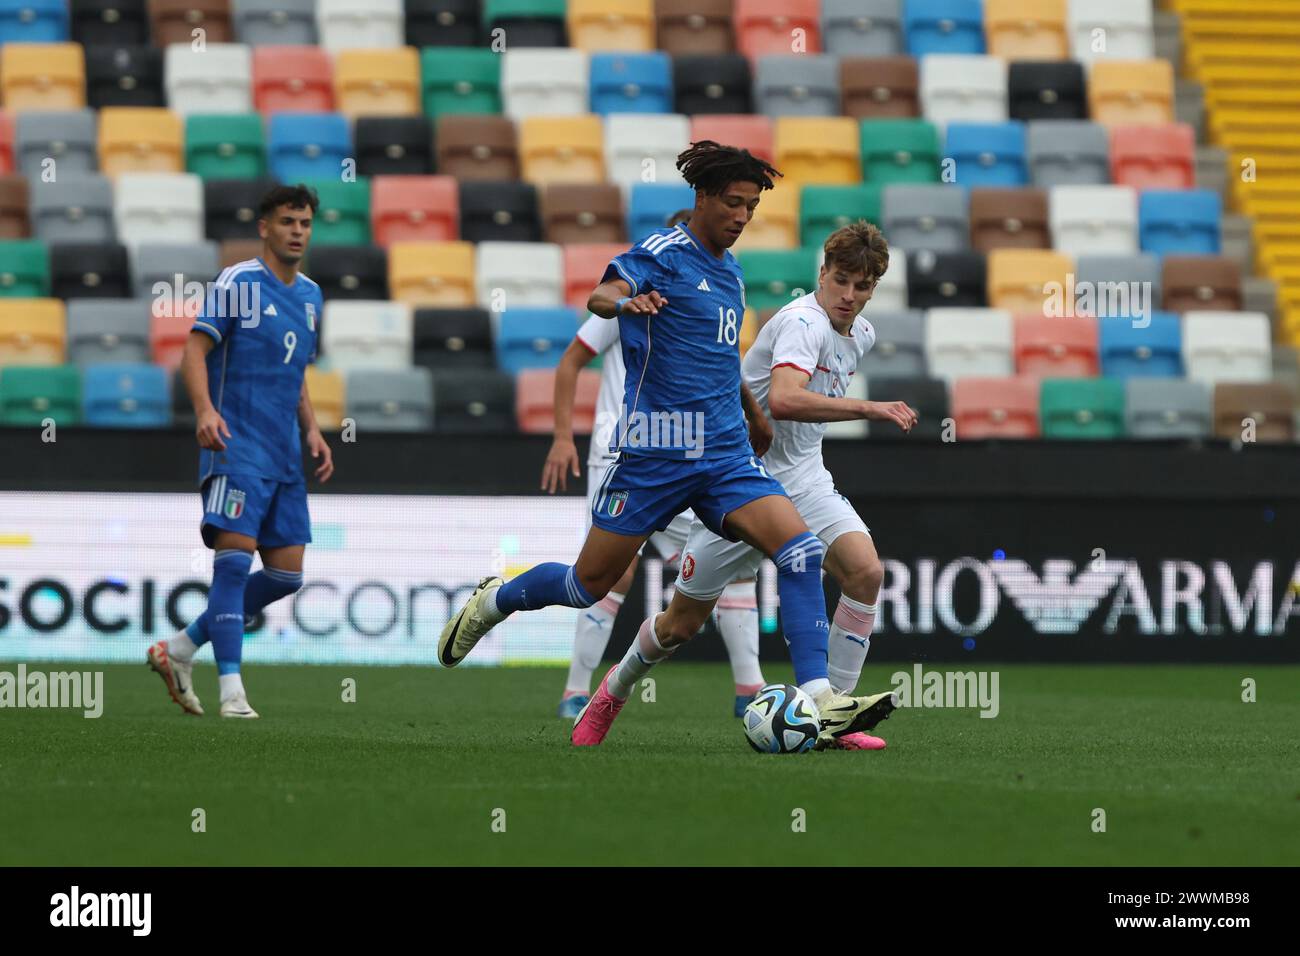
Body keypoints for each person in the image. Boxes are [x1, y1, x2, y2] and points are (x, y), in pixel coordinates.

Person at [437, 141, 895, 747]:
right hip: (654, 453)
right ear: (702, 197)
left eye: (752, 207)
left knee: (801, 550)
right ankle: (497, 599)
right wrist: (625, 301)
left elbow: (722, 364)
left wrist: (754, 416)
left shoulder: (731, 276)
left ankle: (819, 702)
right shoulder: (663, 253)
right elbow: (601, 296)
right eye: (733, 202)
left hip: (726, 457)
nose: (741, 216)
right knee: (586, 586)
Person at [602, 221, 917, 749]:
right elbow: (789, 398)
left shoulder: (860, 334)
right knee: (680, 625)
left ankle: (831, 717)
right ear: (822, 273)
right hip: (743, 481)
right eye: (840, 280)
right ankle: (613, 690)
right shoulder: (802, 323)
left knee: (865, 572)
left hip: (808, 478)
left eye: (862, 287)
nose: (849, 295)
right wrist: (870, 408)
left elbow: (799, 417)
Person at [542, 208, 763, 720]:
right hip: (624, 446)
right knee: (609, 575)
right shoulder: (640, 288)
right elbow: (572, 359)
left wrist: (752, 416)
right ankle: (576, 691)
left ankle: (749, 688)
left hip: (691, 449)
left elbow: (725, 369)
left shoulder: (712, 297)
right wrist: (560, 437)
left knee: (725, 563)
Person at [146, 184, 332, 719]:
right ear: (265, 228)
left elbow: (294, 374)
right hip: (236, 445)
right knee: (232, 566)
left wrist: (313, 430)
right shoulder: (239, 283)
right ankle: (232, 691)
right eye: (288, 221)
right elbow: (193, 351)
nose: (298, 230)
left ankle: (179, 650)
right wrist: (206, 412)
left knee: (287, 575)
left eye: (305, 223)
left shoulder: (312, 295)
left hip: (284, 454)